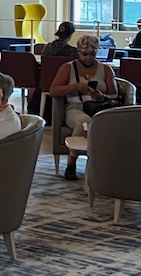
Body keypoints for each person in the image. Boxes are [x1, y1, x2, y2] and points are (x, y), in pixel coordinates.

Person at [51, 32, 119, 180]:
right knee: (84, 122)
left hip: (98, 108)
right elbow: (53, 90)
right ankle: (71, 163)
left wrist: (101, 96)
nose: (88, 58)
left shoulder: (106, 69)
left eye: (92, 54)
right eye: (84, 54)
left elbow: (114, 94)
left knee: (96, 121)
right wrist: (75, 87)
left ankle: (103, 164)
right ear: (78, 52)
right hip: (75, 107)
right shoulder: (68, 68)